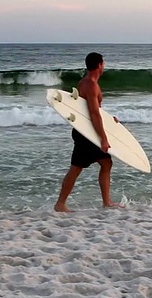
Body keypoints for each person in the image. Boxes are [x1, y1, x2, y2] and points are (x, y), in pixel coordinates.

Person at [54, 52, 125, 212]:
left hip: (85, 131)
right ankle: (60, 204)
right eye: (103, 63)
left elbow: (91, 111)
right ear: (100, 65)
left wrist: (108, 120)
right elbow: (93, 113)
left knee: (105, 163)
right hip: (87, 134)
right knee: (77, 167)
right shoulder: (92, 85)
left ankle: (106, 202)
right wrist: (104, 139)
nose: (104, 66)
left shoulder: (84, 82)